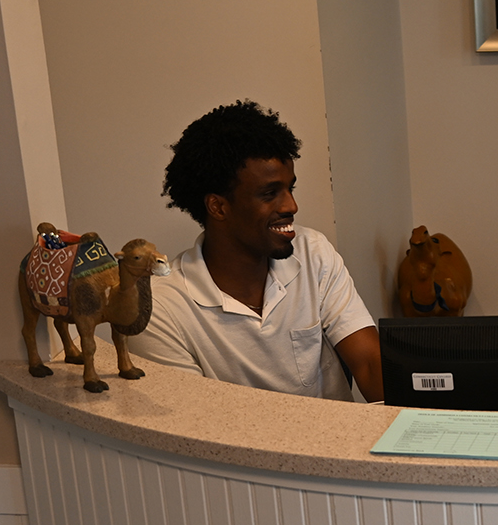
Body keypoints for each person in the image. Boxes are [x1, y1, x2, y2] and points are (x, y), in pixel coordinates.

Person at [140, 99, 383, 401]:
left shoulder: (311, 252)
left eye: (290, 189)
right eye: (270, 194)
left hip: (337, 446)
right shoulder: (162, 308)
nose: (291, 206)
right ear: (218, 206)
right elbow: (195, 429)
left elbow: (371, 366)